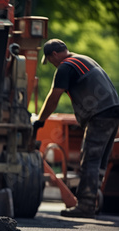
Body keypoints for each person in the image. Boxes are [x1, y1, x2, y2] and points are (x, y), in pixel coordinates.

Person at [34, 39, 119, 218]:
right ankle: (92, 200)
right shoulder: (83, 59)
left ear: (54, 54)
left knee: (89, 159)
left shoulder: (65, 67)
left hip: (100, 113)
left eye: (49, 60)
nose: (51, 63)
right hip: (113, 111)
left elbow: (53, 97)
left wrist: (40, 121)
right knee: (100, 161)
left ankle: (86, 206)